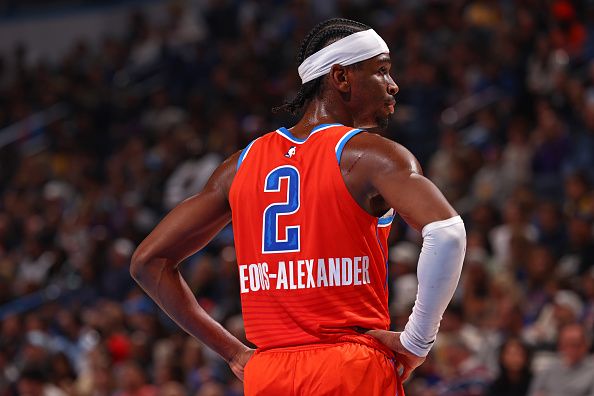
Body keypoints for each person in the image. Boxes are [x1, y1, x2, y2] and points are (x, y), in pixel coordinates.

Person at [130, 18, 466, 395]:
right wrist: (417, 342)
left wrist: (233, 353)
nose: (393, 84)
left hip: (268, 374)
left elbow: (148, 262)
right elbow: (447, 234)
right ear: (341, 77)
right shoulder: (371, 156)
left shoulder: (239, 165)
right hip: (348, 367)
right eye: (382, 71)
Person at [528, 323, 594, 396]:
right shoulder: (548, 369)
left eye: (575, 345)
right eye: (566, 344)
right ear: (560, 346)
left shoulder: (592, 371)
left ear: (586, 345)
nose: (571, 349)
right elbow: (534, 393)